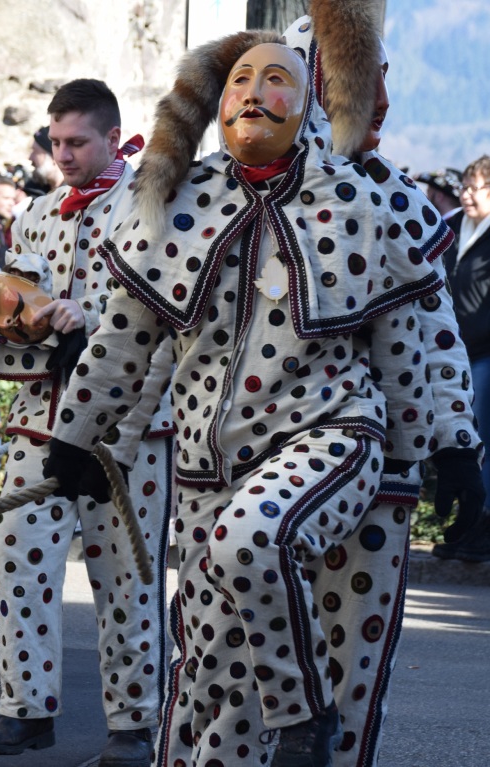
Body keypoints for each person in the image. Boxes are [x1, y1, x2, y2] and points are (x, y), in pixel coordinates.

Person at [44, 38, 466, 767]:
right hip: (214, 471)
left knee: (342, 675)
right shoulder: (183, 200)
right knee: (211, 675)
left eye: (275, 80)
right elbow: (127, 341)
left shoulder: (367, 197)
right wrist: (79, 436)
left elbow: (419, 338)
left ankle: (307, 720)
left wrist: (446, 446)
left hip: (345, 458)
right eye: (240, 79)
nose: (251, 94)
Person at [281, 6, 483, 764]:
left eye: (384, 80)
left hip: (380, 476)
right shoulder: (228, 200)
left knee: (354, 679)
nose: (384, 103)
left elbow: (437, 338)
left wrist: (454, 445)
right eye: (362, 83)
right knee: (226, 668)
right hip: (245, 475)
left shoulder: (396, 198)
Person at [0, 79, 169, 767]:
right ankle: (25, 711)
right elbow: (8, 312)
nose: (63, 154)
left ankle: (134, 723)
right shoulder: (34, 217)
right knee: (16, 563)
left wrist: (93, 323)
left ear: (112, 136)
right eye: (56, 142)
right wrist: (25, 315)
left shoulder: (154, 204)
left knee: (125, 575)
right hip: (39, 418)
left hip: (128, 423)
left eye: (77, 142)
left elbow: (168, 314)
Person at [436, 153, 490, 563]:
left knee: (481, 435)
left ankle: (481, 526)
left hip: (485, 353)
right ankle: (461, 527)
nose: (468, 194)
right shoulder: (450, 225)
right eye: (467, 186)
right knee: (454, 436)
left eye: (479, 187)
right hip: (446, 349)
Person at [28, 125, 63, 193]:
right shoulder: (33, 191)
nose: (30, 157)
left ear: (54, 158)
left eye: (35, 152)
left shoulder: (71, 196)